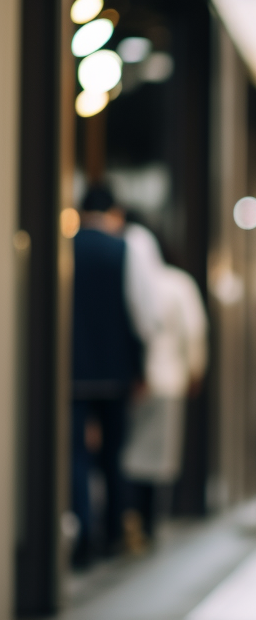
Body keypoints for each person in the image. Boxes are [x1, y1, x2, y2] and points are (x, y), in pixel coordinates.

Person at [120, 218, 208, 543]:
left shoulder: (129, 281)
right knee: (158, 458)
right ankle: (149, 522)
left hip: (133, 382)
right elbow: (194, 332)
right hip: (169, 380)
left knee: (128, 454)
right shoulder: (178, 284)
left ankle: (129, 521)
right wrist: (195, 369)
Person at [71, 185, 143, 568]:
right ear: (113, 211)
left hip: (73, 372)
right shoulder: (122, 249)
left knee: (76, 455)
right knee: (113, 454)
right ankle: (113, 531)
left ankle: (83, 532)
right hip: (115, 371)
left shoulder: (66, 246)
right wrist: (139, 365)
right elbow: (139, 311)